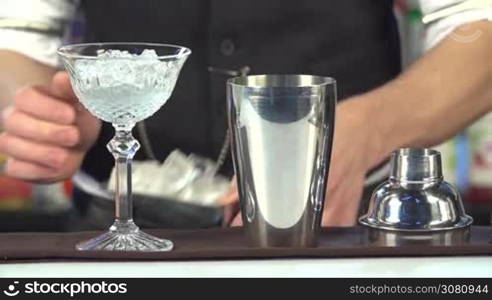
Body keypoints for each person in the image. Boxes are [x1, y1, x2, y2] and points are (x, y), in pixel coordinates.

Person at [0, 0, 491, 228]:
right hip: (113, 226)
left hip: (341, 224)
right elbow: (15, 33)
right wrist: (50, 112)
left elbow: (479, 26)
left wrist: (371, 129)